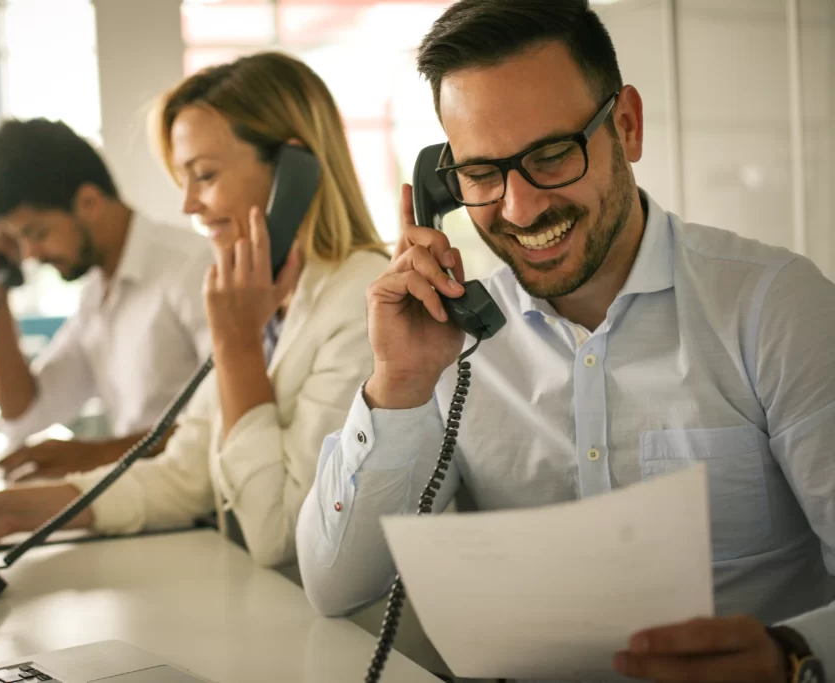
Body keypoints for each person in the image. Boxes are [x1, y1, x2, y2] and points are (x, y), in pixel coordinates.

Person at [295, 1, 835, 681]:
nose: (521, 208)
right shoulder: (451, 338)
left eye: (552, 154)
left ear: (627, 127)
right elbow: (334, 583)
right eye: (483, 174)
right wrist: (398, 383)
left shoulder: (776, 307)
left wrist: (792, 653)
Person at [0, 52, 389, 569]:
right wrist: (6, 510)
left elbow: (276, 534)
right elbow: (184, 474)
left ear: (293, 172)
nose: (188, 204)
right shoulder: (259, 294)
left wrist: (235, 348)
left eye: (204, 175)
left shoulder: (361, 300)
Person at [0, 118, 214, 480]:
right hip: (142, 505)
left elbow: (228, 422)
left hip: (201, 513)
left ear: (88, 202)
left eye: (37, 233)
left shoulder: (192, 268)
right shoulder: (97, 295)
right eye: (20, 241)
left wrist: (96, 455)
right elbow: (24, 415)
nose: (31, 254)